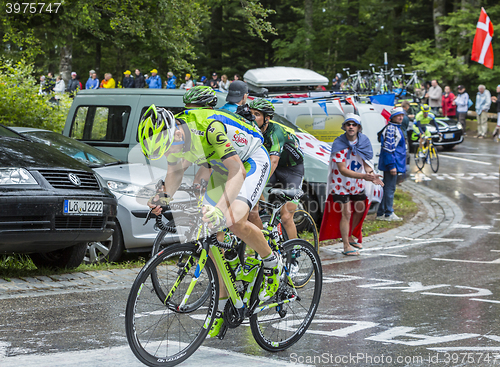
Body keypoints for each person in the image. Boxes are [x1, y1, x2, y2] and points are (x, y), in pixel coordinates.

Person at [140, 86, 281, 338]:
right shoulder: (175, 137)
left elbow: (237, 170)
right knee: (209, 232)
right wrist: (163, 198)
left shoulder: (209, 129)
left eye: (169, 148)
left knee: (234, 220)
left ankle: (272, 263)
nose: (170, 153)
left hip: (250, 160)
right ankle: (224, 304)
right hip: (219, 163)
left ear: (177, 134)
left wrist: (219, 209)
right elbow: (175, 172)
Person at [326, 114, 383, 256]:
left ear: (358, 127)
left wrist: (370, 173)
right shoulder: (339, 143)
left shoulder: (363, 141)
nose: (351, 126)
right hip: (340, 183)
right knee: (346, 212)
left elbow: (366, 163)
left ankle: (350, 235)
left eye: (354, 124)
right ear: (344, 127)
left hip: (356, 183)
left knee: (361, 207)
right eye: (348, 124)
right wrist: (365, 176)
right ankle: (346, 245)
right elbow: (342, 170)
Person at [247, 98, 304, 240]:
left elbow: (273, 161)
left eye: (257, 114)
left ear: (267, 118)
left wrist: (258, 184)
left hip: (292, 171)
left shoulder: (276, 132)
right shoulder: (250, 129)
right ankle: (264, 222)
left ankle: (294, 254)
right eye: (251, 113)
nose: (252, 117)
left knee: (286, 217)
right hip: (274, 169)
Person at [377, 107, 407, 221]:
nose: (401, 117)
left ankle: (381, 213)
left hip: (394, 163)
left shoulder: (395, 128)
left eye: (402, 115)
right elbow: (388, 150)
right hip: (392, 164)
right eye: (398, 115)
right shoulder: (391, 129)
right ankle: (388, 213)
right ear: (393, 117)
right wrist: (392, 166)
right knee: (390, 188)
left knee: (387, 188)